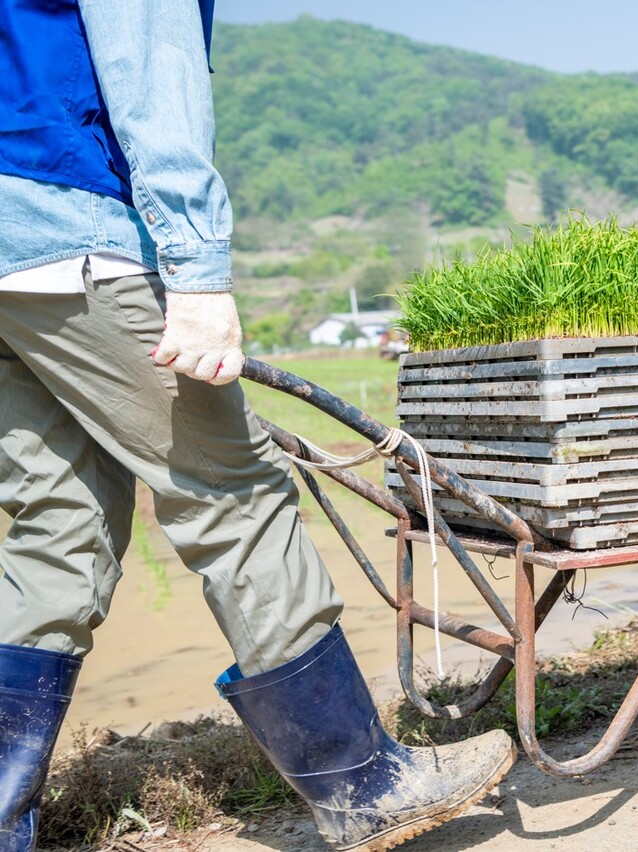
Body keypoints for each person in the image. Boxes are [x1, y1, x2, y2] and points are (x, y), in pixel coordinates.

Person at [0, 2, 514, 850]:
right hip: (68, 222)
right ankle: (363, 781)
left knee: (58, 530)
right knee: (232, 491)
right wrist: (197, 270)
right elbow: (149, 73)